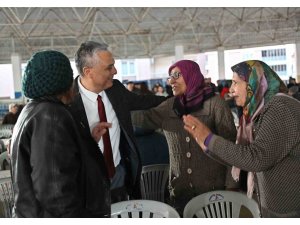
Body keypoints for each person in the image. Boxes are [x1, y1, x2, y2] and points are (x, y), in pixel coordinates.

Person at [183, 60, 300, 218]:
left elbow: (257, 158)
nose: (231, 90)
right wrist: (208, 146)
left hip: (291, 211)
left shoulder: (279, 108)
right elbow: (244, 157)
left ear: (253, 82)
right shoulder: (260, 111)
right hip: (277, 208)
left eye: (235, 83)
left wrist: (210, 139)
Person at [10, 50, 112, 217]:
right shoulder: (52, 116)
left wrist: (85, 141)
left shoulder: (31, 111)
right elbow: (55, 191)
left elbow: (51, 161)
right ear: (63, 82)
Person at [132, 60, 237, 215]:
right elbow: (144, 118)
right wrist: (112, 108)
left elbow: (231, 147)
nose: (171, 81)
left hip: (214, 193)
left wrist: (232, 187)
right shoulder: (170, 106)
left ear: (191, 75)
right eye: (170, 77)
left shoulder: (216, 105)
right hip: (180, 193)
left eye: (177, 75)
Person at [70, 41, 166, 203]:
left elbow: (144, 101)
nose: (115, 71)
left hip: (119, 175)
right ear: (89, 72)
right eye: (109, 67)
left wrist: (179, 99)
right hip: (86, 182)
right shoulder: (68, 102)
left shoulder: (115, 89)